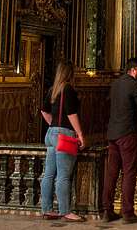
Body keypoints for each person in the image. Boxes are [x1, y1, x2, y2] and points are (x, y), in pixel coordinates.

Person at [102, 57, 137, 224]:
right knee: (129, 173)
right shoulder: (134, 85)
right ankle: (128, 213)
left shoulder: (115, 84)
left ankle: (107, 210)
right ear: (133, 70)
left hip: (112, 134)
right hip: (127, 134)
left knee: (111, 173)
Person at [40, 61, 85, 222]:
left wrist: (54, 125)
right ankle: (65, 211)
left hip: (50, 133)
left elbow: (44, 111)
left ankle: (46, 209)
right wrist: (80, 134)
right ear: (70, 73)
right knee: (63, 176)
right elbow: (71, 114)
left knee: (48, 174)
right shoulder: (68, 89)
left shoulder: (53, 89)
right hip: (64, 134)